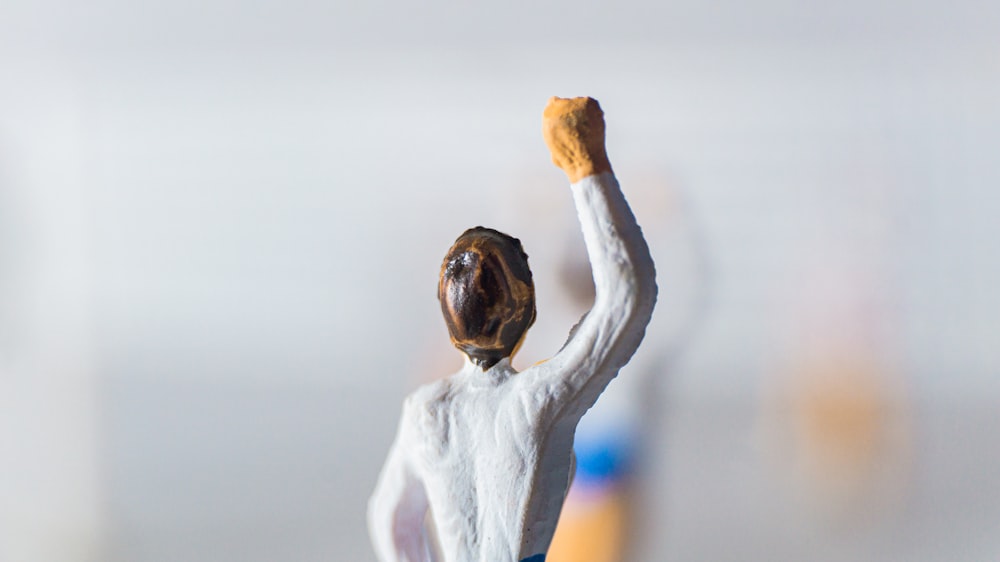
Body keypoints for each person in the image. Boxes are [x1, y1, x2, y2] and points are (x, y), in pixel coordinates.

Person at [368, 97, 657, 562]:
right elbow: (628, 298)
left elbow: (390, 517)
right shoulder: (539, 400)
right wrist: (587, 170)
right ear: (524, 312)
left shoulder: (426, 412)